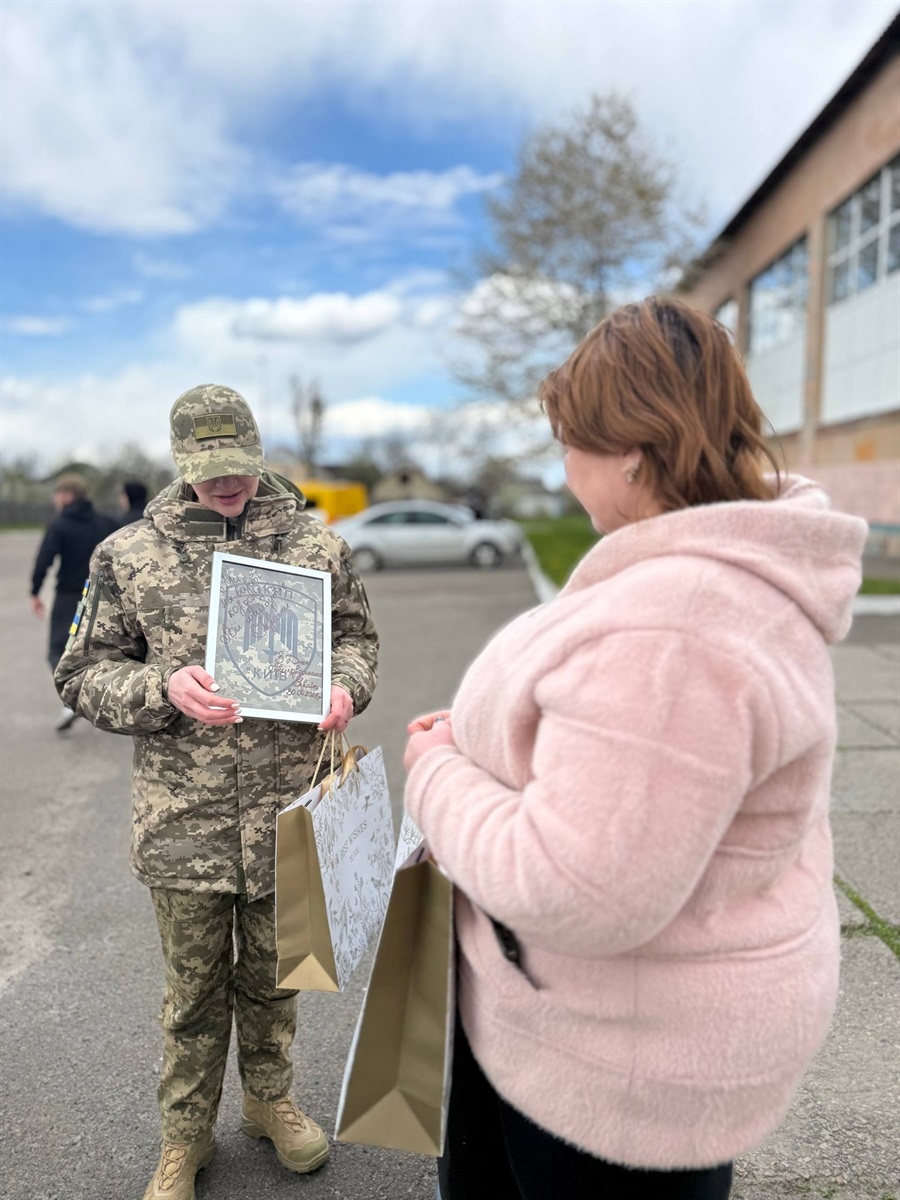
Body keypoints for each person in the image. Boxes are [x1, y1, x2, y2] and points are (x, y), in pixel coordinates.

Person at [403, 297, 867, 1200]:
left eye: (569, 441)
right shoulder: (701, 586)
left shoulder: (674, 629)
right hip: (610, 1031)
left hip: (616, 1075)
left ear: (632, 449)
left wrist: (438, 774)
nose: (564, 466)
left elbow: (577, 886)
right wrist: (484, 738)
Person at [55, 384, 378, 1200]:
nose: (227, 483)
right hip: (183, 824)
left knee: (275, 979)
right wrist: (160, 687)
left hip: (288, 810)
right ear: (180, 463)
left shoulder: (316, 545)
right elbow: (82, 673)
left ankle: (269, 1102)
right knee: (193, 995)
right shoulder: (128, 554)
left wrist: (345, 686)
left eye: (239, 465)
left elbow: (356, 639)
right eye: (209, 470)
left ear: (258, 453)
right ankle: (185, 1136)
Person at [29, 473, 117, 731]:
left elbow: (44, 559)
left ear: (67, 495)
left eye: (57, 494)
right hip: (101, 595)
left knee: (58, 649)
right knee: (98, 650)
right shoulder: (105, 522)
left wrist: (35, 591)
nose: (55, 499)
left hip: (69, 598)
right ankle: (102, 701)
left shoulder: (60, 524)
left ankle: (73, 699)